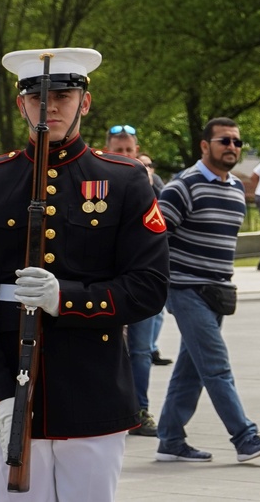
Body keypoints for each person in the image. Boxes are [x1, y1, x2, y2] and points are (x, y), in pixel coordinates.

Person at [0, 47, 169, 501]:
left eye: (63, 96)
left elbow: (148, 288)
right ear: (21, 104)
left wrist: (65, 298)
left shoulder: (125, 180)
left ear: (84, 103)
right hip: (7, 386)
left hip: (92, 390)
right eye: (36, 97)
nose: (48, 106)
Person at [155, 117, 260, 464]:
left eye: (237, 142)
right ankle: (245, 437)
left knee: (191, 368)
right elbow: (154, 237)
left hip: (218, 293)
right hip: (185, 288)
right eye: (224, 141)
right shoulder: (184, 186)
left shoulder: (236, 188)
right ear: (205, 146)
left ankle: (170, 440)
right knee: (216, 365)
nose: (233, 148)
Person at [103, 125, 163, 437]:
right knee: (105, 348)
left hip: (140, 282)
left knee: (140, 350)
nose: (126, 156)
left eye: (130, 150)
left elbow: (162, 230)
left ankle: (139, 410)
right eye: (119, 150)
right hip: (105, 285)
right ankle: (108, 409)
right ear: (107, 149)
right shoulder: (95, 181)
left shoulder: (150, 183)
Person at [137, 150, 173, 366]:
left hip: (155, 263)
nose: (146, 168)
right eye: (143, 164)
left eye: (149, 165)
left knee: (157, 313)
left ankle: (152, 348)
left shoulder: (157, 184)